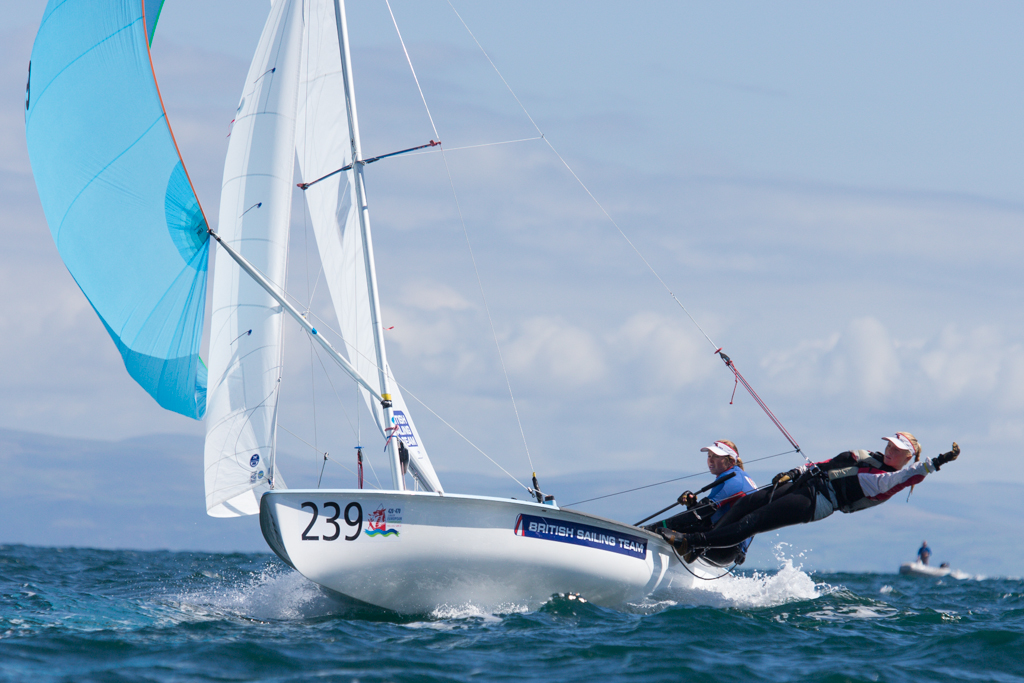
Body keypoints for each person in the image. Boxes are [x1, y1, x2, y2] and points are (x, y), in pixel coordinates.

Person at [660, 433, 960, 557]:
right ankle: (703, 541)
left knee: (754, 520)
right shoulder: (866, 456)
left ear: (907, 457)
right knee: (748, 503)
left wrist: (939, 462)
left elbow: (913, 473)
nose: (891, 450)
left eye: (899, 450)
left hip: (817, 502)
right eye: (891, 445)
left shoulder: (888, 480)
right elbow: (824, 464)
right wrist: (794, 472)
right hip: (805, 483)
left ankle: (692, 543)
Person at [647, 440, 757, 565]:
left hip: (722, 548)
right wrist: (692, 505)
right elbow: (707, 515)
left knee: (663, 530)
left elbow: (698, 515)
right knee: (681, 527)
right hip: (728, 549)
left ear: (731, 461)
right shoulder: (741, 476)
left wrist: (651, 529)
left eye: (716, 456)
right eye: (709, 456)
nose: (710, 460)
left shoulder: (733, 480)